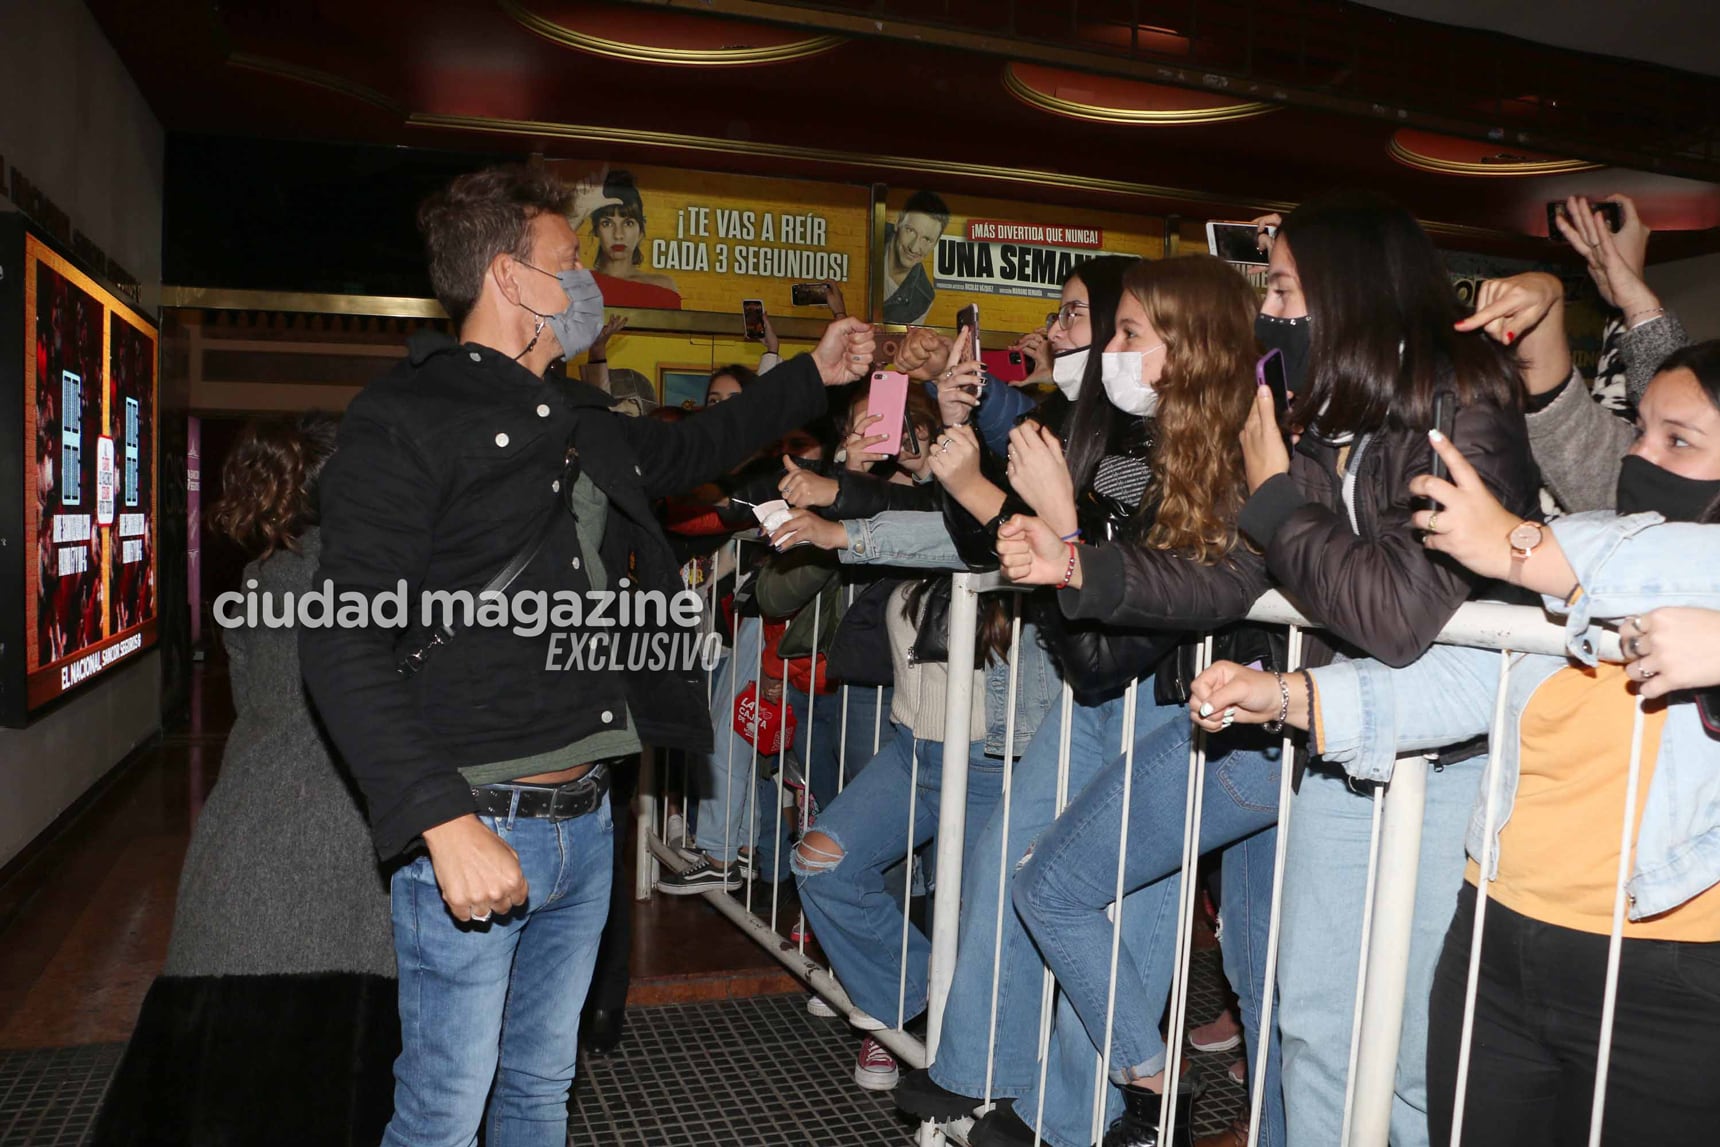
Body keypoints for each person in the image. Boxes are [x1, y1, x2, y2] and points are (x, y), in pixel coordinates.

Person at [298, 164, 873, 1147]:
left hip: (584, 823)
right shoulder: (405, 420)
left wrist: (812, 375)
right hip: (480, 818)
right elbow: (342, 633)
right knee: (441, 1109)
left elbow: (692, 451)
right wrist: (440, 821)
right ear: (515, 281)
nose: (587, 287)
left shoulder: (574, 422)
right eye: (569, 261)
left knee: (538, 1088)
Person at [1191, 340, 1720, 1146]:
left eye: (1677, 440)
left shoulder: (1577, 554)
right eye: (1639, 429)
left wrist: (1518, 542)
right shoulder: (1580, 548)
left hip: (1668, 973)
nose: (1638, 457)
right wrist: (1287, 695)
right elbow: (1460, 683)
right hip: (1497, 939)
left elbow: (1673, 562)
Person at [91, 414, 400, 1147]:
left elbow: (256, 699)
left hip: (241, 843)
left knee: (210, 1077)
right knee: (345, 1074)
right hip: (348, 847)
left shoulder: (260, 578)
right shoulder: (384, 581)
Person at [568, 169, 683, 308]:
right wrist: (576, 215)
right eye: (607, 223)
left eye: (628, 223)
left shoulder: (662, 288)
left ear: (640, 231)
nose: (618, 235)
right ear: (597, 229)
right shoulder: (580, 284)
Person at [883, 190, 950, 325]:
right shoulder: (869, 233)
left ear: (935, 244)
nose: (914, 248)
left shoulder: (923, 299)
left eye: (926, 239)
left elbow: (903, 344)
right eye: (910, 230)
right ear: (898, 223)